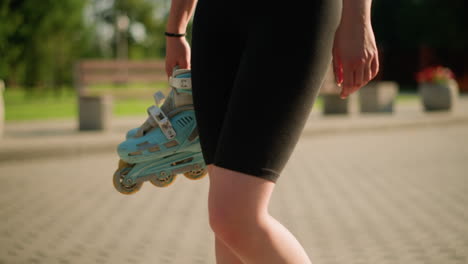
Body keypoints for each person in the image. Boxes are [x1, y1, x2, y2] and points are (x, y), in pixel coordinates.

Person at [165, 0, 379, 263]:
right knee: (227, 225)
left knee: (233, 215)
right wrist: (175, 29)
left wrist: (359, 20)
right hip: (216, 17)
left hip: (293, 14)